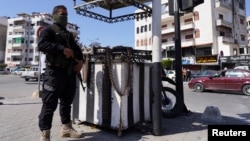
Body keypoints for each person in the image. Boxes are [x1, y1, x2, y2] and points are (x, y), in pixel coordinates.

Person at [37, 5, 84, 141]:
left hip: (68, 73)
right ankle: (45, 134)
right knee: (49, 104)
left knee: (66, 102)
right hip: (54, 73)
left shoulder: (68, 35)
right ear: (55, 16)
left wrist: (81, 62)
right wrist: (61, 48)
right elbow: (42, 45)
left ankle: (66, 128)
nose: (64, 17)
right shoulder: (49, 30)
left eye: (66, 14)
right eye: (62, 14)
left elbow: (77, 50)